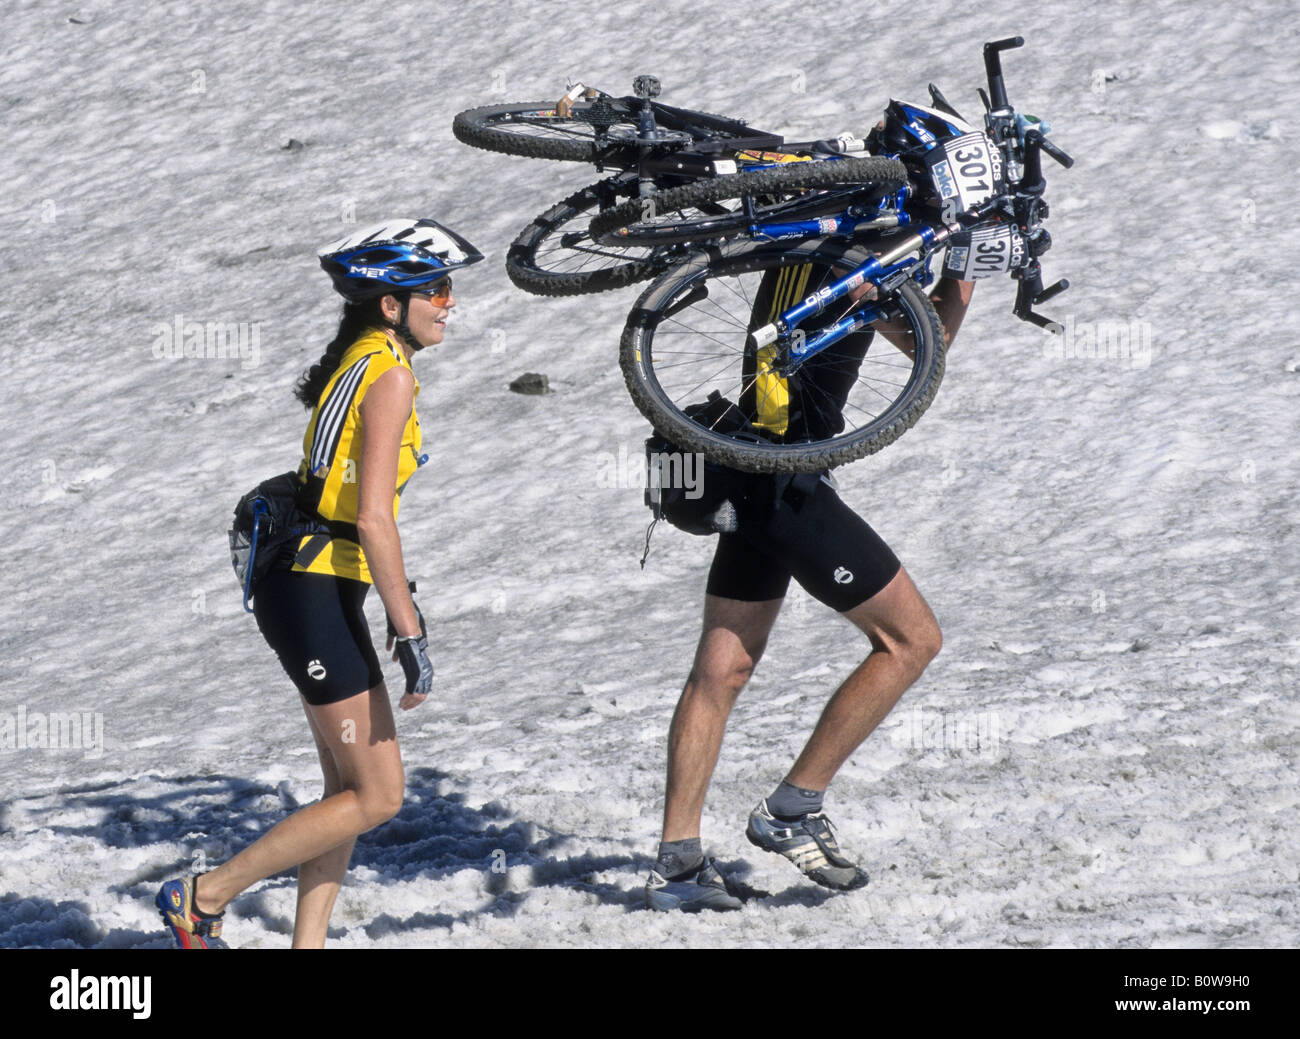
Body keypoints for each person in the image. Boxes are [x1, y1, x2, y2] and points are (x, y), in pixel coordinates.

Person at [156, 218, 483, 947]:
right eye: (435, 288)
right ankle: (203, 896)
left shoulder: (366, 354)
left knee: (347, 790)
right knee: (380, 792)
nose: (451, 301)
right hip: (312, 586)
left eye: (449, 286)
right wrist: (411, 628)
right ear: (391, 304)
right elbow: (372, 518)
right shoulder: (390, 373)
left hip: (314, 581)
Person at [645, 262, 975, 911]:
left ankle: (677, 866)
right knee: (911, 640)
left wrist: (948, 272)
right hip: (784, 478)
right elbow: (922, 341)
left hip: (749, 455)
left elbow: (916, 333)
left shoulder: (826, 218)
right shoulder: (862, 229)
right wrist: (958, 268)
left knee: (721, 668)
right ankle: (794, 808)